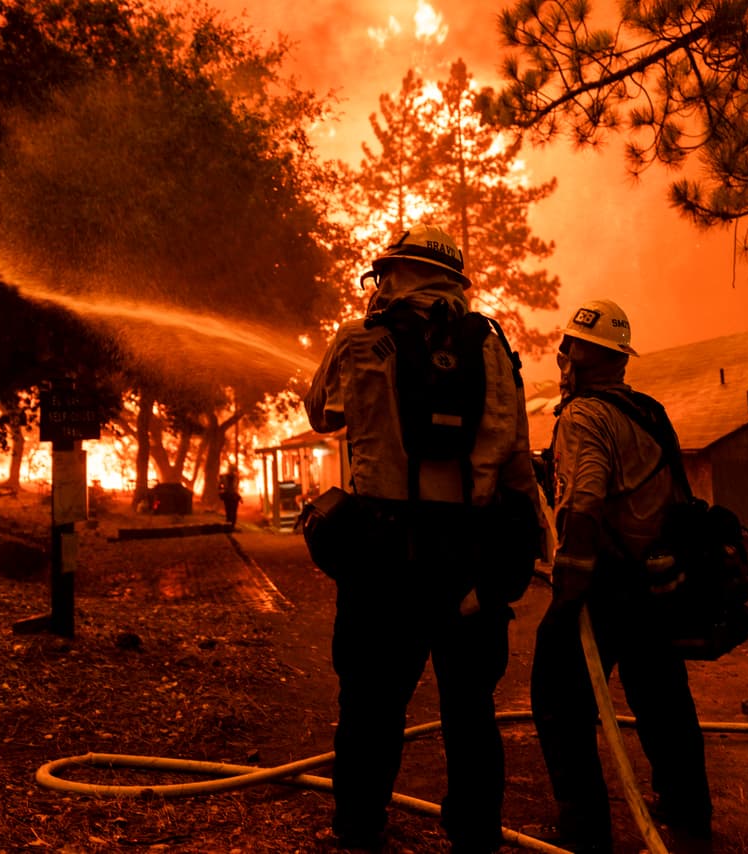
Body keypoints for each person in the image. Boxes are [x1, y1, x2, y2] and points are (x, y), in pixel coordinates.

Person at [303, 224, 545, 854]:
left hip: (384, 558)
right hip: (470, 558)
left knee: (370, 705)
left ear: (394, 275)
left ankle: (359, 827)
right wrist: (533, 547)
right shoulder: (492, 346)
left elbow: (320, 414)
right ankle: (474, 833)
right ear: (451, 280)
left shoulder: (361, 339)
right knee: (471, 711)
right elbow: (518, 455)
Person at [530, 299, 712, 852]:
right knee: (663, 699)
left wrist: (570, 580)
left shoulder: (585, 415)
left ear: (581, 358)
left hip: (606, 583)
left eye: (568, 348)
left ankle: (585, 830)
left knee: (559, 696)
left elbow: (586, 495)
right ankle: (688, 812)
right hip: (654, 577)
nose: (562, 358)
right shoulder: (647, 409)